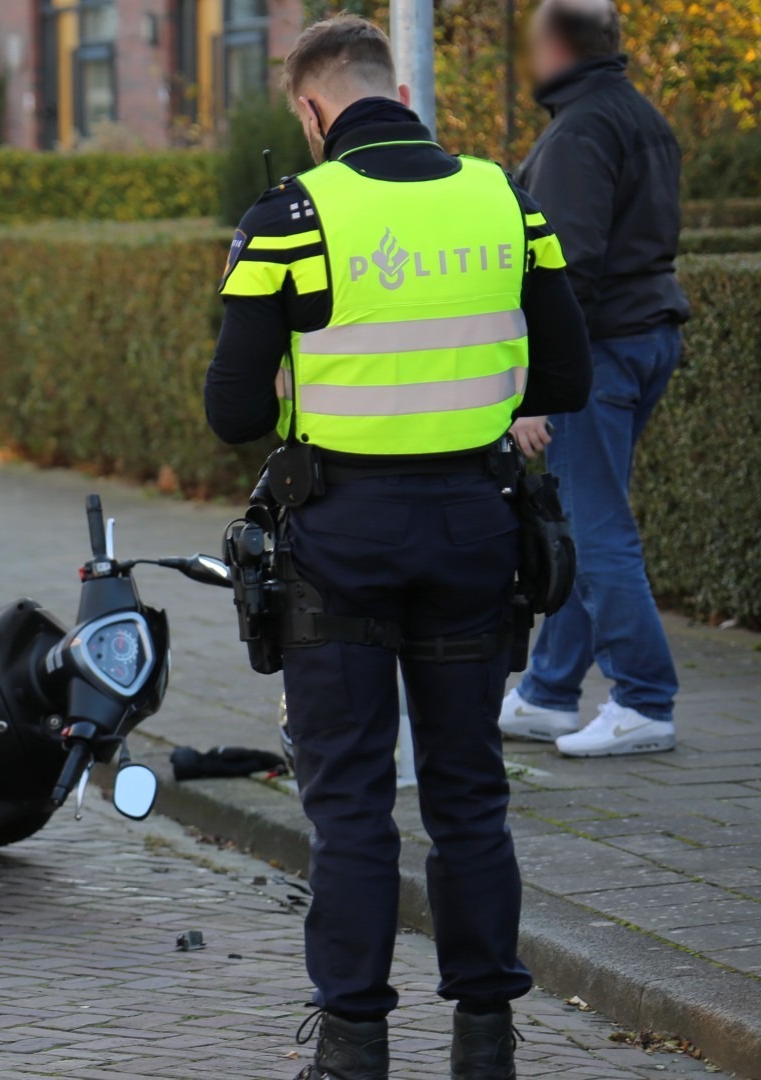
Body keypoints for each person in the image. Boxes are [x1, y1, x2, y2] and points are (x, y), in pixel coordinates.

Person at [205, 16, 593, 1079]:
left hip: (341, 541)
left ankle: (353, 1050)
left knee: (352, 803)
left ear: (311, 106)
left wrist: (308, 390)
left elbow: (231, 408)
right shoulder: (503, 200)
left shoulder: (293, 214)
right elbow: (567, 380)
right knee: (470, 796)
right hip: (475, 529)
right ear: (396, 89)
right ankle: (485, 1044)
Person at [499, 0, 689, 757]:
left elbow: (567, 265)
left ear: (553, 45)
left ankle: (645, 700)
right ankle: (547, 693)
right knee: (583, 520)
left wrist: (541, 385)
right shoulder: (641, 117)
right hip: (646, 337)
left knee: (597, 529)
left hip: (602, 350)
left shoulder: (580, 130)